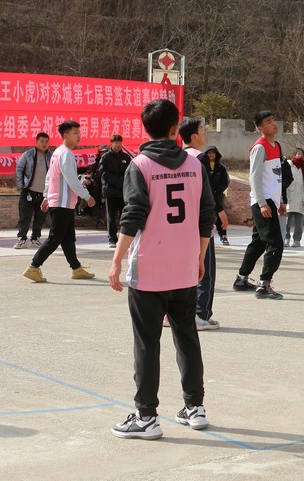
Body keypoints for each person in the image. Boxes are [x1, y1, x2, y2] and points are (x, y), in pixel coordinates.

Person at [108, 98, 215, 440]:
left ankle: (146, 417)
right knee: (187, 337)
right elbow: (206, 215)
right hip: (184, 268)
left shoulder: (139, 165)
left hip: (150, 270)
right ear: (174, 129)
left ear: (145, 129)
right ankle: (195, 407)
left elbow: (133, 215)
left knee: (146, 343)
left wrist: (116, 259)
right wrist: (200, 257)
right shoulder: (196, 165)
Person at [23, 121, 96, 283]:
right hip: (62, 203)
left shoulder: (58, 153)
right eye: (75, 133)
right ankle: (34, 266)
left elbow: (49, 177)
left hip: (63, 203)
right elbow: (72, 180)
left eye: (79, 132)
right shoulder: (66, 154)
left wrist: (46, 196)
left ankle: (76, 268)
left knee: (68, 238)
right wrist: (87, 196)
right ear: (66, 136)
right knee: (55, 238)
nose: (79, 136)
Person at [180, 117, 227, 329]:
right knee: (205, 269)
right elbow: (207, 193)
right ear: (194, 136)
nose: (204, 133)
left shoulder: (177, 157)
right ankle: (200, 314)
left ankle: (172, 313)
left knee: (182, 270)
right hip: (199, 223)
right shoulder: (199, 159)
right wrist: (220, 211)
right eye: (202, 129)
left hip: (179, 223)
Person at [233, 111, 287, 298]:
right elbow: (254, 178)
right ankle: (264, 284)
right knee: (275, 243)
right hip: (262, 202)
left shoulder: (277, 146)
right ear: (260, 128)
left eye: (274, 120)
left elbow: (276, 177)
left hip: (272, 200)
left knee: (258, 242)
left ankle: (241, 278)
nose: (274, 124)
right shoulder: (259, 147)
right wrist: (263, 203)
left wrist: (280, 201)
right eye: (268, 122)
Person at [14, 132, 51, 249]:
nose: (44, 144)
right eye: (42, 141)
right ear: (36, 142)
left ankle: (35, 239)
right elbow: (19, 169)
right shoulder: (28, 154)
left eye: (46, 142)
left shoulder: (52, 156)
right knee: (25, 217)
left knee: (40, 218)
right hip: (28, 191)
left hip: (44, 194)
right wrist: (21, 186)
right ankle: (21, 239)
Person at [98, 134, 131, 248]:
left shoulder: (126, 158)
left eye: (120, 142)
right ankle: (112, 239)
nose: (118, 144)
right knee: (111, 217)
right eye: (116, 142)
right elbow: (103, 173)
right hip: (110, 191)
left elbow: (129, 173)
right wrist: (116, 181)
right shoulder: (105, 158)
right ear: (111, 144)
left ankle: (124, 239)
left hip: (123, 192)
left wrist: (121, 182)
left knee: (124, 216)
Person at [204, 146, 230, 245]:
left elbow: (225, 181)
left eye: (213, 153)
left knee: (219, 215)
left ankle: (223, 235)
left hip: (217, 196)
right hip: (206, 196)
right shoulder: (203, 166)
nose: (211, 155)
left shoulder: (221, 168)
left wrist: (218, 190)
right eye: (209, 153)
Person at [285, 147, 304, 248]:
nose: (300, 155)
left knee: (299, 223)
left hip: (300, 197)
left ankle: (297, 240)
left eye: (302, 154)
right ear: (294, 155)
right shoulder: (289, 166)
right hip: (289, 196)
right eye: (298, 153)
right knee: (287, 221)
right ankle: (286, 238)